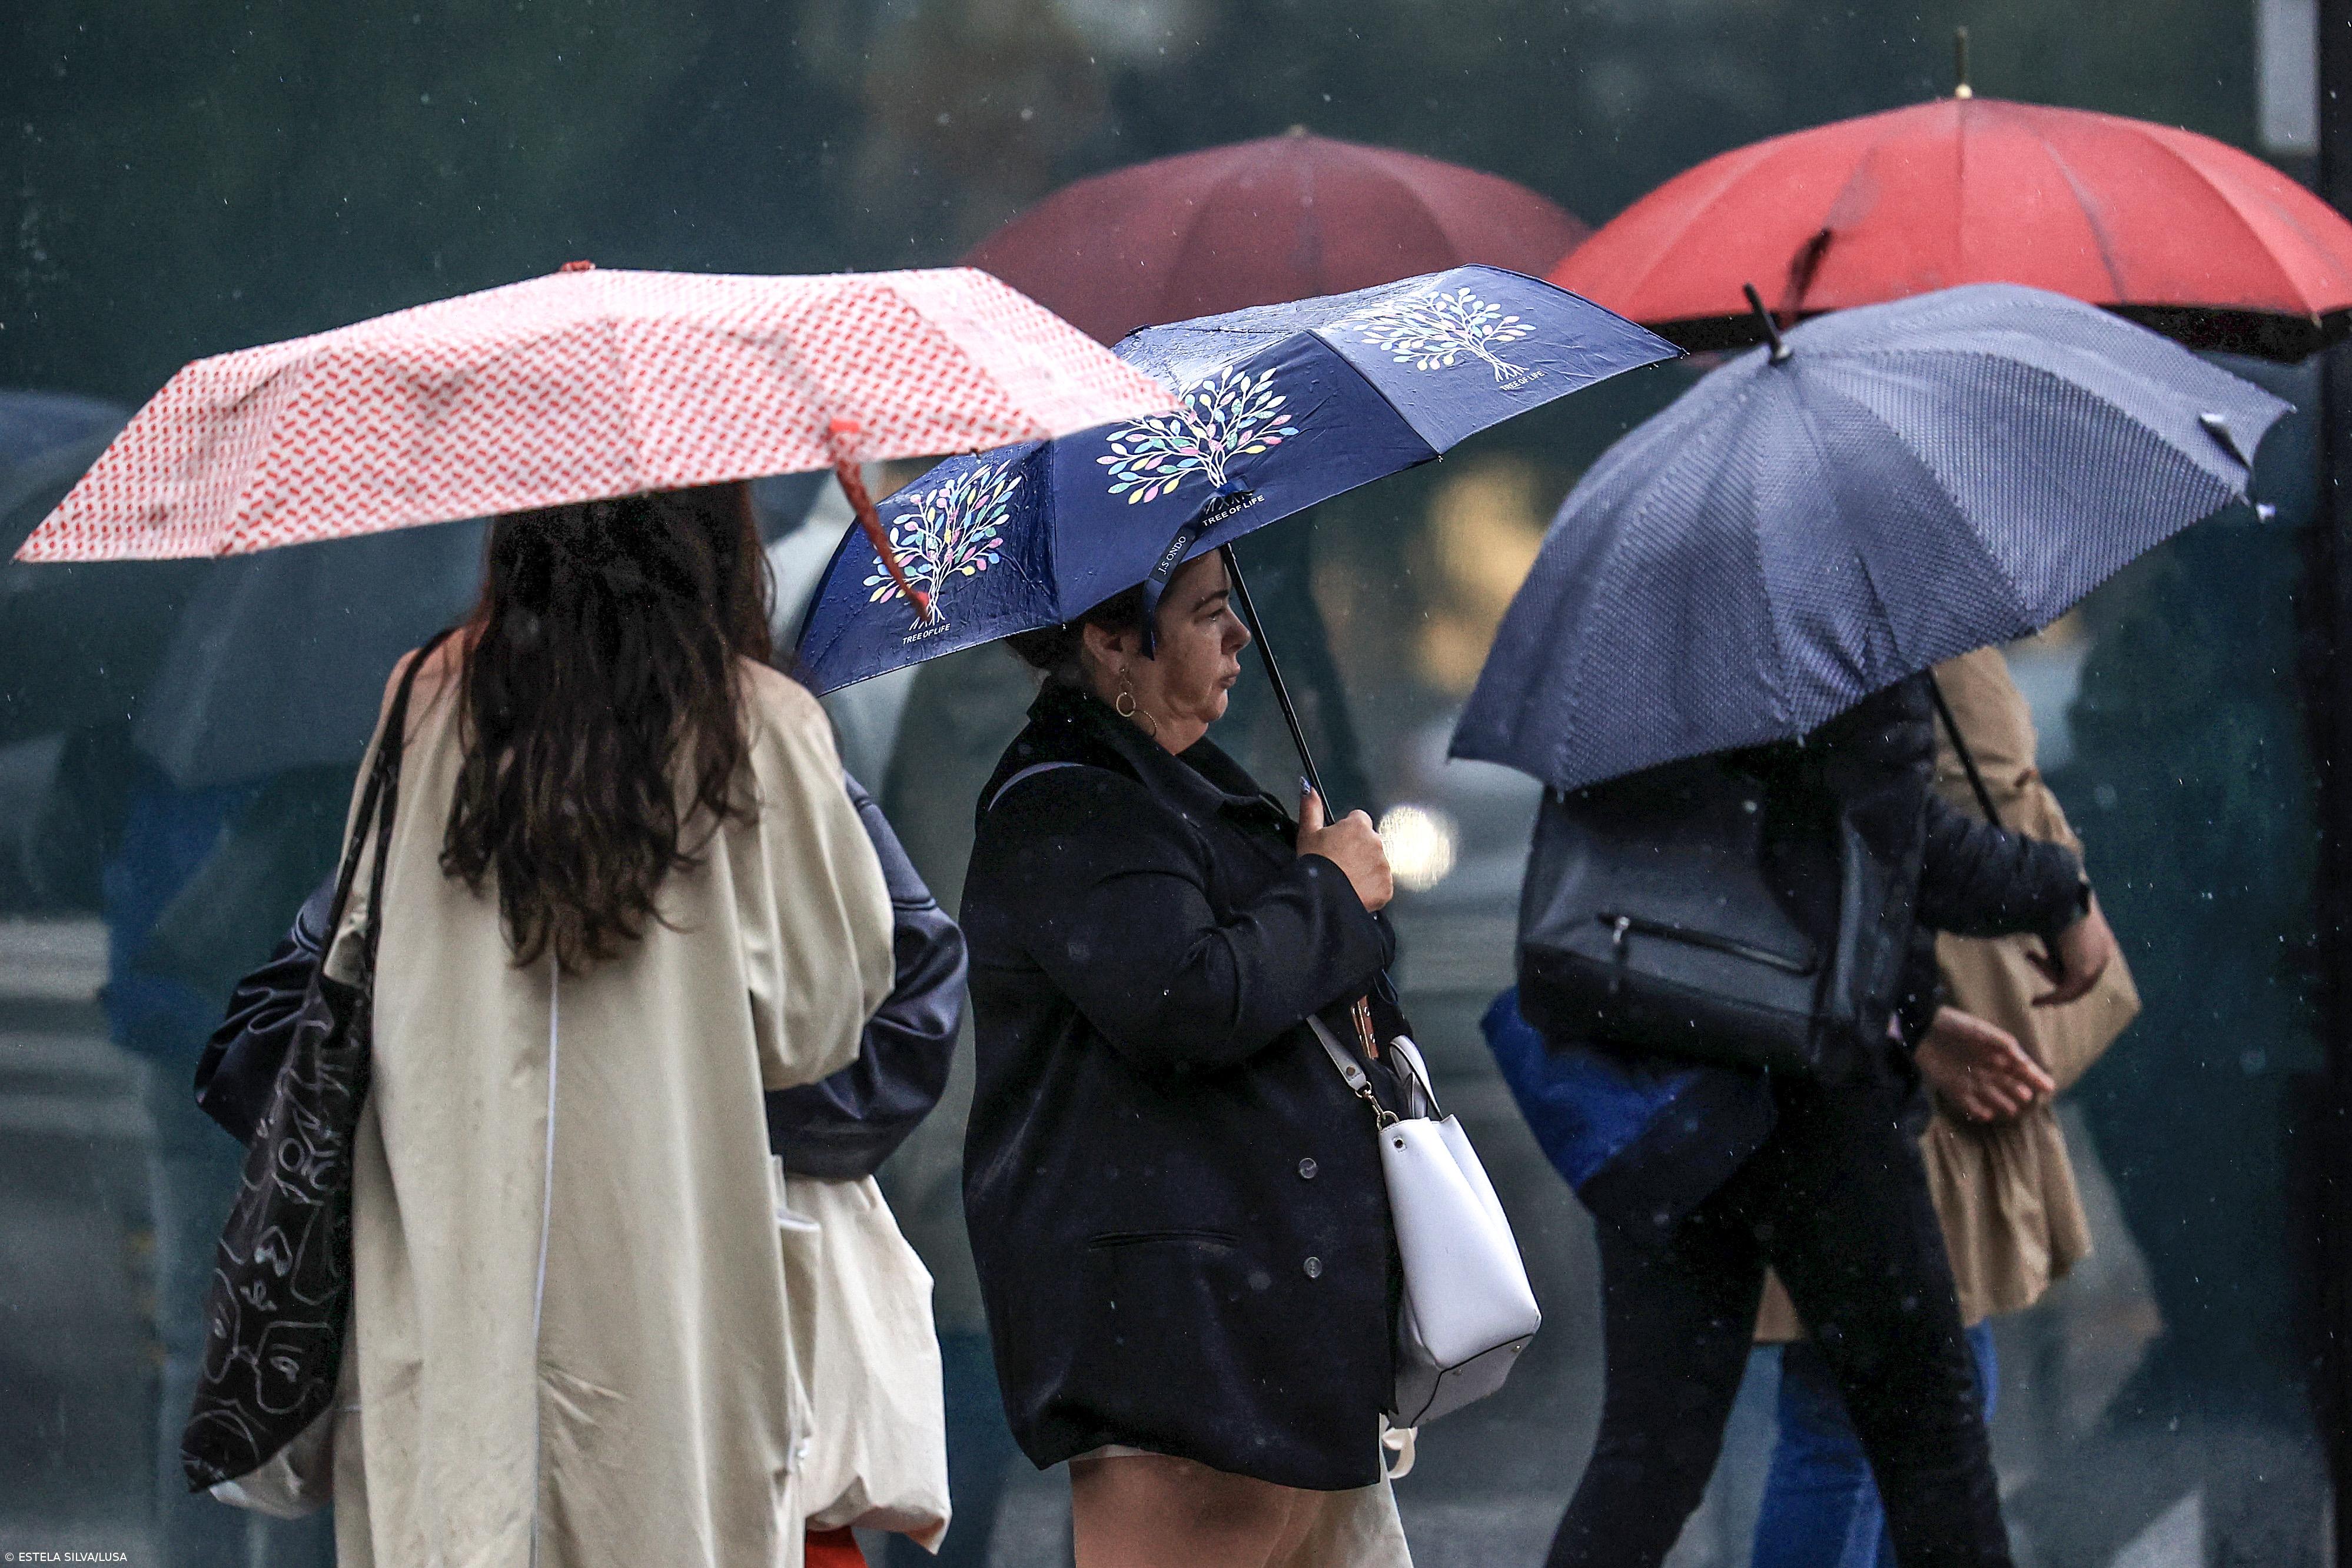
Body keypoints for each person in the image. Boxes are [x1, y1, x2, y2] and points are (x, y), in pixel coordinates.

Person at [324, 483, 896, 1567]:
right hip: (671, 1287)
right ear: (713, 545)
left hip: (455, 1280)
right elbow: (819, 1023)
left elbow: (359, 952)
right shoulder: (760, 729)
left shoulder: (427, 706)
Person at [1539, 669, 2118, 1568]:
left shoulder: (1632, 642)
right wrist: (2059, 893)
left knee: (1652, 1453)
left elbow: (1739, 849)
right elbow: (1899, 847)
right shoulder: (1833, 628)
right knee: (1929, 1435)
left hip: (1660, 1073)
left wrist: (1915, 1011)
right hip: (1806, 1087)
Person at [958, 548, 1414, 1568]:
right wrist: (1325, 895)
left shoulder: (1170, 780)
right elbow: (1188, 1000)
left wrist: (1323, 890)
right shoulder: (1067, 804)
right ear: (1112, 637)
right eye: (1208, 613)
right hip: (1181, 1348)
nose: (1239, 636)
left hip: (1269, 1327)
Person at [1747, 647, 2140, 1568]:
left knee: (1891, 1404)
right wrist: (2052, 895)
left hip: (1869, 1045)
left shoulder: (1798, 633)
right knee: (1863, 1413)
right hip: (1883, 1061)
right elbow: (1905, 827)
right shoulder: (1861, 625)